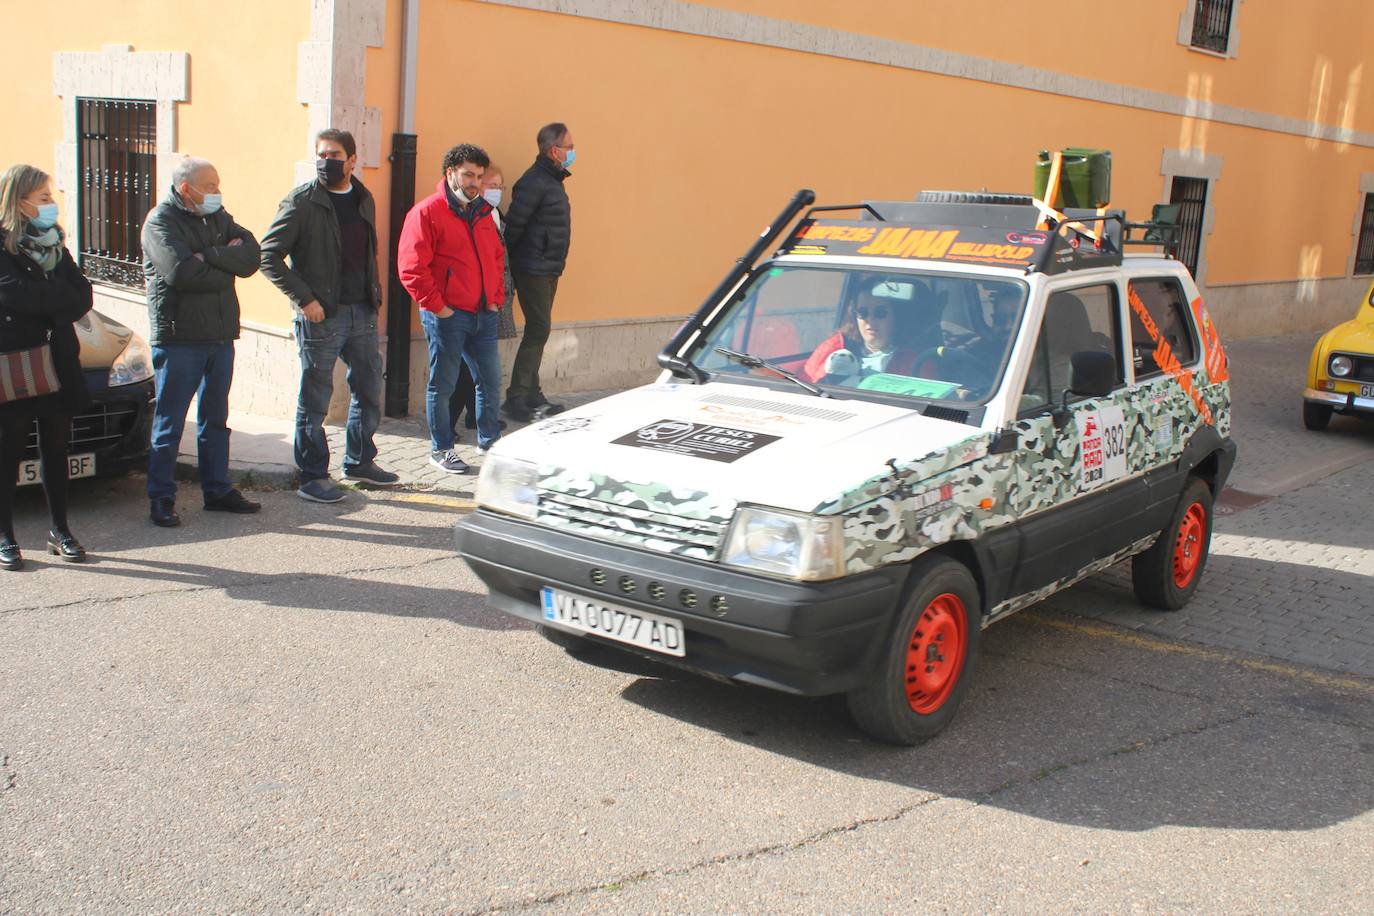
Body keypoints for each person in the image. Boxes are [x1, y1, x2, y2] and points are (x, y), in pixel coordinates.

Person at [260, 128, 397, 504]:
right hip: (322, 315)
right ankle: (312, 475)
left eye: (334, 154)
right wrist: (305, 300)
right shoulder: (302, 201)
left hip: (362, 312)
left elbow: (368, 253)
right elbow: (268, 256)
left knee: (368, 388)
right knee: (316, 396)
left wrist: (374, 296)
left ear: (352, 160)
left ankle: (360, 461)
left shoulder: (363, 198)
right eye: (321, 154)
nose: (326, 161)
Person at [141, 157, 261, 528]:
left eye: (218, 184)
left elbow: (251, 257)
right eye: (209, 186)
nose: (217, 192)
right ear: (185, 189)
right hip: (180, 338)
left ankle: (217, 490)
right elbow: (181, 272)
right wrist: (224, 264)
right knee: (170, 421)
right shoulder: (159, 223)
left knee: (215, 418)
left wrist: (209, 255)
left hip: (220, 335)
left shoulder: (218, 217)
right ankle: (161, 497)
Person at [0, 164, 93, 568]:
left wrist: (49, 300)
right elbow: (17, 296)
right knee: (8, 453)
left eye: (50, 196)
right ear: (19, 202)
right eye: (43, 197)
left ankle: (60, 530)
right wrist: (57, 297)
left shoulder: (55, 243)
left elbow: (83, 295)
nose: (51, 204)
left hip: (58, 360)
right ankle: (5, 535)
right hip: (17, 364)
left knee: (56, 449)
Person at [398, 143, 505, 474]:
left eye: (479, 176)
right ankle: (441, 448)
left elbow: (497, 259)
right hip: (447, 316)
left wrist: (495, 299)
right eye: (468, 175)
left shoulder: (485, 213)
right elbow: (412, 268)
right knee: (442, 385)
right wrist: (439, 308)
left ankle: (489, 443)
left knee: (489, 381)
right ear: (450, 173)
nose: (475, 182)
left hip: (483, 314)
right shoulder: (427, 212)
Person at [502, 122, 575, 421]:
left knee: (539, 329)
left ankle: (531, 391)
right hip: (533, 267)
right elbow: (514, 227)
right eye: (569, 147)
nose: (572, 152)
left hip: (547, 266)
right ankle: (517, 396)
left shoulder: (552, 179)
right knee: (538, 328)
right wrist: (519, 262)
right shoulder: (534, 181)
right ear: (554, 150)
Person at [449, 163, 518, 436]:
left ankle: (475, 416)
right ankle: (451, 420)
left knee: (479, 370)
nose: (496, 191)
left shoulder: (494, 214)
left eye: (500, 187)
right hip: (474, 302)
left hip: (492, 298)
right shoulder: (475, 215)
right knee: (468, 369)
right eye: (491, 185)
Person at [802, 282, 926, 383]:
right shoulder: (832, 348)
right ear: (854, 315)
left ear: (896, 317)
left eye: (880, 312)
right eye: (863, 312)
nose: (870, 320)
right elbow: (804, 385)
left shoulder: (916, 360)